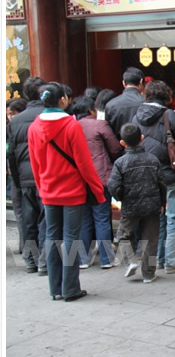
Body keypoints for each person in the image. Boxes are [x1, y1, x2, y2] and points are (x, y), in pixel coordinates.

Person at [28, 82, 106, 302]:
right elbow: (84, 163)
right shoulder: (71, 126)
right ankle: (70, 288)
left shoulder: (34, 127)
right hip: (72, 191)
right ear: (63, 99)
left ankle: (56, 288)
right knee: (71, 237)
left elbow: (35, 164)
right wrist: (97, 190)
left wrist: (42, 187)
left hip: (48, 191)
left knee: (52, 237)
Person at [133, 79, 175, 274]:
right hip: (169, 172)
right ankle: (172, 261)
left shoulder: (137, 116)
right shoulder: (168, 114)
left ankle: (158, 258)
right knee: (173, 217)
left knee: (156, 218)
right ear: (166, 96)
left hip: (147, 173)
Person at [108, 123, 166, 284]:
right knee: (151, 239)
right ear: (142, 138)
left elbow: (113, 185)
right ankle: (148, 273)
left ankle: (131, 260)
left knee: (124, 235)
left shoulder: (120, 163)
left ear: (122, 142)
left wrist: (121, 197)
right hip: (152, 205)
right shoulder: (153, 159)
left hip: (130, 206)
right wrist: (162, 202)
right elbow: (162, 184)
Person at [73, 96, 123, 269]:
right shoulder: (99, 125)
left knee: (85, 218)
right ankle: (106, 259)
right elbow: (116, 147)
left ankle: (83, 259)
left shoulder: (71, 126)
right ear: (90, 110)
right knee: (102, 217)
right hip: (100, 176)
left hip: (79, 179)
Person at [7, 76, 48, 275]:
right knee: (46, 219)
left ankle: (30, 260)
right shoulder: (47, 115)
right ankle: (44, 261)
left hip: (25, 178)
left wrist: (16, 180)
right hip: (46, 175)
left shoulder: (16, 121)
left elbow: (11, 154)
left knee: (29, 220)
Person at [6, 98, 28, 255]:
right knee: (20, 211)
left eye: (12, 114)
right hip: (18, 175)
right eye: (8, 114)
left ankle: (27, 247)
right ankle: (25, 245)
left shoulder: (15, 127)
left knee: (23, 211)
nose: (10, 117)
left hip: (19, 174)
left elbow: (11, 154)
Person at [105, 67, 145, 139]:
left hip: (120, 146)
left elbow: (108, 132)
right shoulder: (147, 102)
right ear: (141, 82)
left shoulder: (110, 105)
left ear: (123, 83)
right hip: (144, 146)